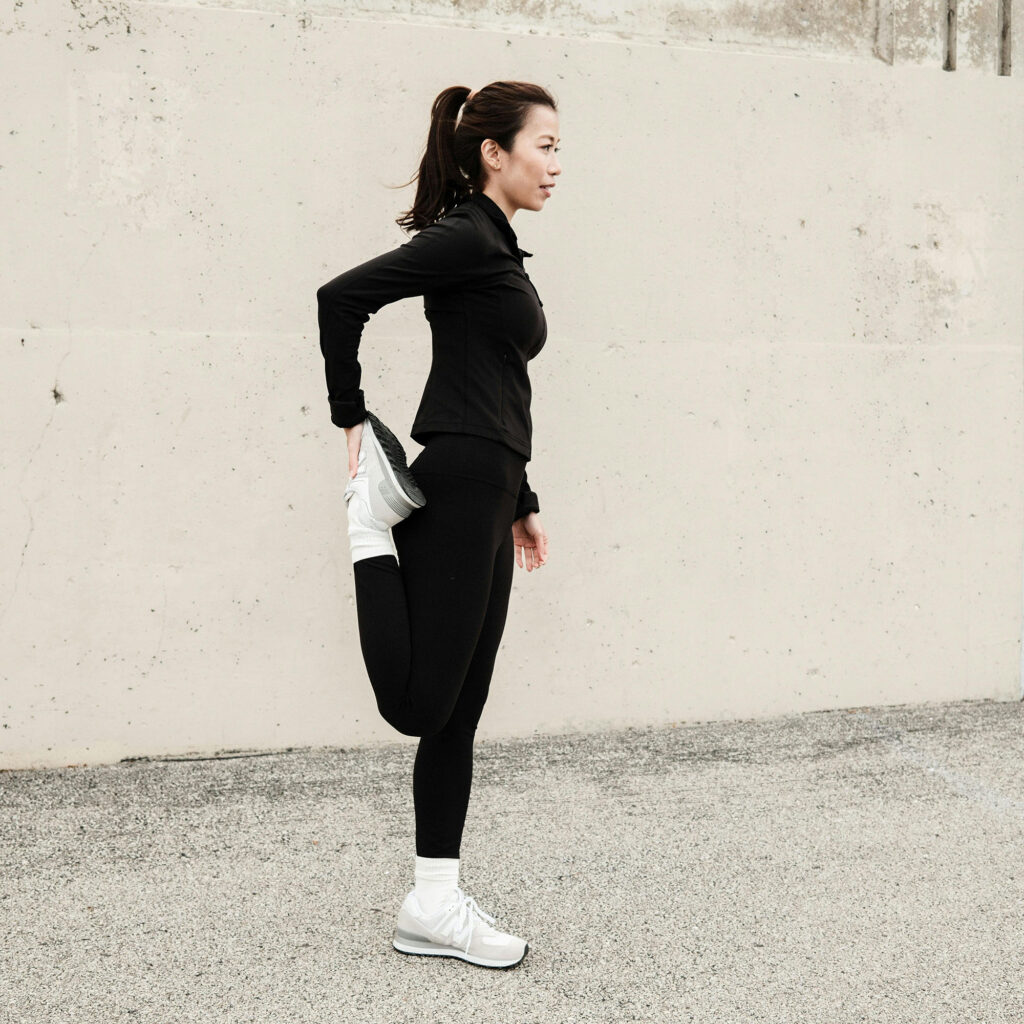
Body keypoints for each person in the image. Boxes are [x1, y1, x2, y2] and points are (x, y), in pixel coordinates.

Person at [315, 81, 561, 969]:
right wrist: (350, 412)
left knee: (456, 714)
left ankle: (432, 905)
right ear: (494, 152)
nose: (555, 164)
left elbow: (501, 380)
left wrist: (522, 498)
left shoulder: (495, 246)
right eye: (544, 145)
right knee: (418, 703)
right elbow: (339, 297)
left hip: (489, 487)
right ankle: (368, 529)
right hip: (456, 481)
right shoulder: (464, 236)